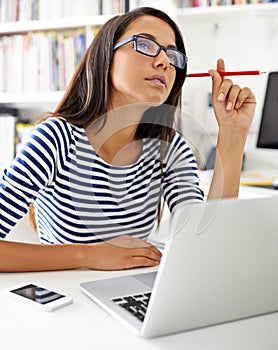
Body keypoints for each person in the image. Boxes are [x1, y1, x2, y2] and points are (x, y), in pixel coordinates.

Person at [0, 7, 256, 272]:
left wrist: (232, 134)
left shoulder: (171, 150)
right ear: (106, 57)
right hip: (68, 306)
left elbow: (205, 246)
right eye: (145, 44)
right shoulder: (56, 138)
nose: (164, 62)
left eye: (172, 54)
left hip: (131, 298)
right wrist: (88, 256)